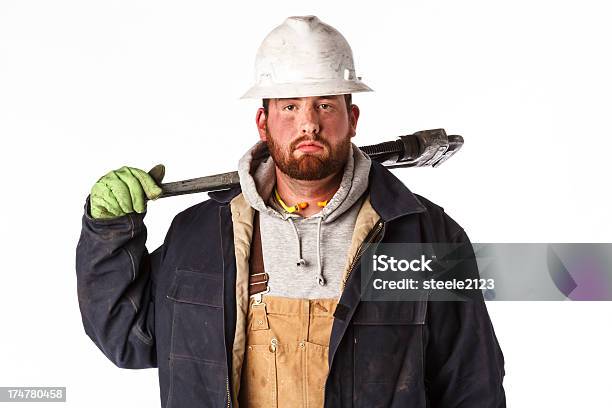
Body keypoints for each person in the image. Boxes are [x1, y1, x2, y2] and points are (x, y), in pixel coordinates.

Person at [76, 15, 506, 408]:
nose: (308, 124)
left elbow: (472, 383)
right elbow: (128, 338)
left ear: (352, 118)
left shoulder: (421, 237)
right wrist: (109, 231)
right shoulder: (201, 238)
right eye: (289, 106)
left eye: (324, 105)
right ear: (263, 123)